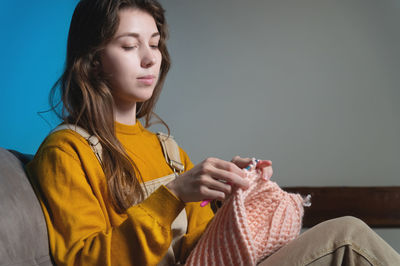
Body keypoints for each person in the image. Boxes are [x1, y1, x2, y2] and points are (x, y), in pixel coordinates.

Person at [26, 0, 400, 265]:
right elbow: (83, 259)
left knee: (348, 235)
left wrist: (230, 196)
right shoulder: (67, 151)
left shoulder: (166, 147)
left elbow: (203, 249)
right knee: (348, 237)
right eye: (129, 45)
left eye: (154, 43)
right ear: (92, 60)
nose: (149, 57)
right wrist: (172, 195)